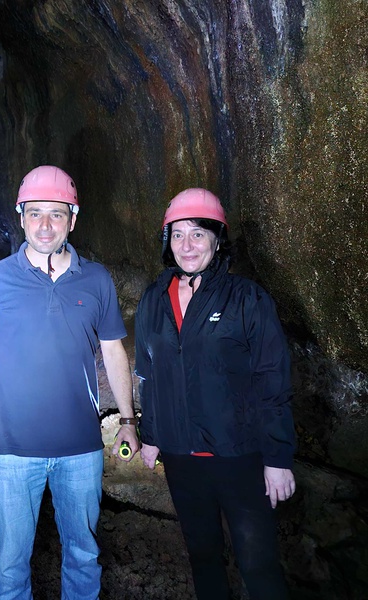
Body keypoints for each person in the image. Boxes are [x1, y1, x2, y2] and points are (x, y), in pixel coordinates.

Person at [0, 165, 139, 600]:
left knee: (83, 555)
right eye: (35, 213)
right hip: (12, 451)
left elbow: (113, 352)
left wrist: (127, 419)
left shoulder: (96, 280)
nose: (45, 225)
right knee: (12, 565)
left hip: (81, 450)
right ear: (21, 217)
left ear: (73, 218)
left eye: (56, 214)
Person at [135, 188, 296, 600]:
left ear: (217, 239)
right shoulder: (154, 299)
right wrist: (151, 435)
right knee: (203, 557)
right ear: (166, 242)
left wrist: (277, 458)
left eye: (198, 234)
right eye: (177, 235)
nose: (186, 246)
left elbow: (271, 378)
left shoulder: (246, 298)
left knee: (258, 564)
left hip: (238, 457)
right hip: (180, 457)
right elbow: (148, 374)